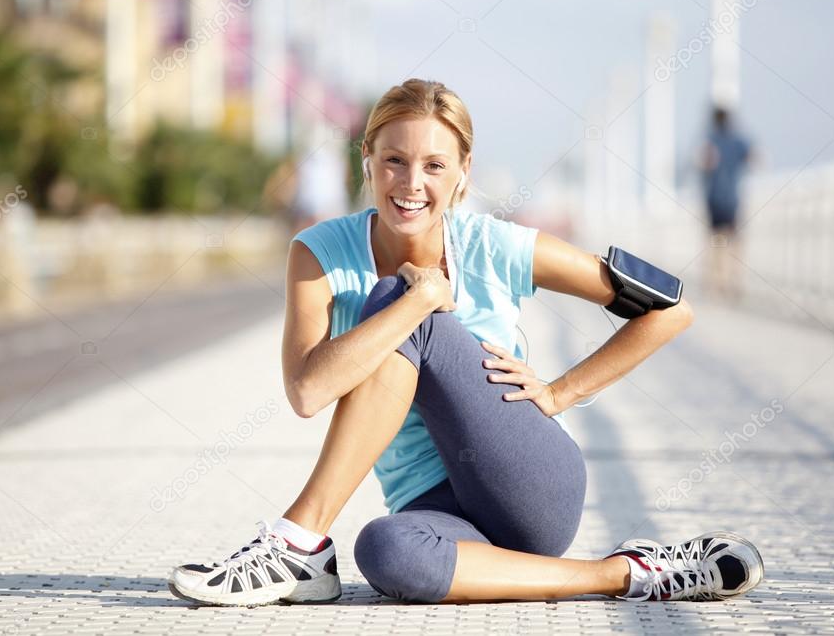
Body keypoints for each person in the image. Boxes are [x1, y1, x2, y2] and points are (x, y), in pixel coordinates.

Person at [168, 79, 764, 607]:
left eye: (434, 165)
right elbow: (307, 391)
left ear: (463, 173)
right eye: (394, 160)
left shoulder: (494, 245)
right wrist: (422, 298)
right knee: (384, 551)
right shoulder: (319, 252)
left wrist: (558, 393)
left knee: (396, 308)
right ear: (367, 161)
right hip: (436, 512)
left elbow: (671, 312)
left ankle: (296, 542)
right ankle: (625, 574)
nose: (410, 183)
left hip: (528, 482)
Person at [699, 108, 751, 297]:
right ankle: (734, 280)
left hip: (714, 199)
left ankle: (716, 282)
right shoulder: (738, 140)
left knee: (715, 242)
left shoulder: (711, 140)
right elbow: (755, 158)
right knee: (734, 241)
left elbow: (704, 163)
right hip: (732, 199)